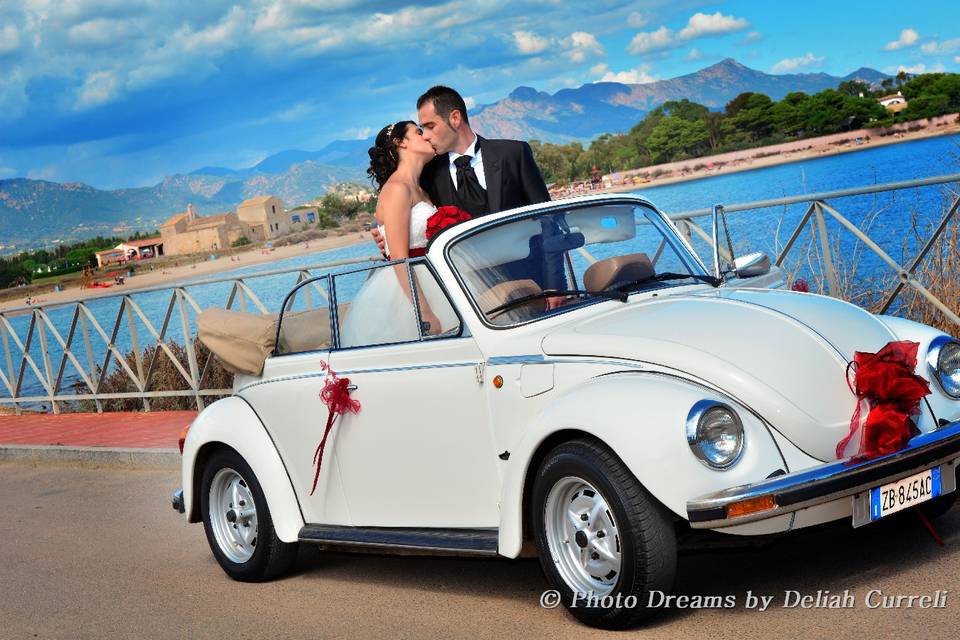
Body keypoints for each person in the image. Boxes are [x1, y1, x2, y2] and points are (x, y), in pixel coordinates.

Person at [371, 86, 563, 307]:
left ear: (454, 118)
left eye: (430, 126)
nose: (426, 136)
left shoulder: (513, 154)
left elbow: (551, 221)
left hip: (535, 286)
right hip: (470, 297)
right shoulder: (427, 176)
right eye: (421, 130)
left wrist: (554, 284)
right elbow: (397, 213)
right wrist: (383, 236)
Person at [338, 121, 457, 348]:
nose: (426, 136)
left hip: (435, 276)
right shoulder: (397, 189)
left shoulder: (420, 188)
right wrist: (424, 311)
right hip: (413, 288)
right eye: (418, 132)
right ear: (400, 142)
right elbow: (400, 258)